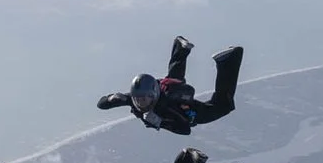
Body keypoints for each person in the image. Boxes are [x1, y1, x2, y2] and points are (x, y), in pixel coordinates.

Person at [97, 34, 242, 135]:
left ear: (153, 94)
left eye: (144, 99)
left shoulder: (165, 106)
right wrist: (113, 98)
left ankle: (228, 60)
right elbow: (101, 104)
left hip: (188, 110)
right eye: (138, 99)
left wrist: (160, 122)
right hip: (168, 89)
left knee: (224, 105)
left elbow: (185, 130)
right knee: (174, 78)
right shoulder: (134, 98)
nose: (140, 103)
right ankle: (181, 47)